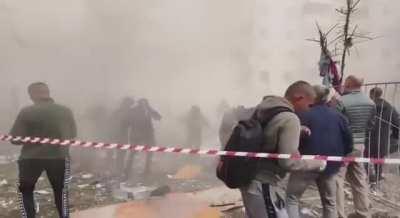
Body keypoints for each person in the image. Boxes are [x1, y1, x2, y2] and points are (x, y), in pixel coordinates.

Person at [240, 81, 326, 218]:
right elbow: (288, 162)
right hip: (265, 185)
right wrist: (317, 163)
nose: (309, 110)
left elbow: (267, 133)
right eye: (309, 105)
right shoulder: (290, 119)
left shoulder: (265, 108)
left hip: (249, 181)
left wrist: (295, 131)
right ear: (299, 98)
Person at [10, 82, 77, 218]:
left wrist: (31, 138)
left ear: (32, 95)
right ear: (47, 92)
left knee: (26, 191)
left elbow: (15, 139)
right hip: (59, 157)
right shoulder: (65, 111)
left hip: (30, 158)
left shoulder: (26, 112)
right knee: (61, 191)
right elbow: (72, 134)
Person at [286, 85, 353, 218]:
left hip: (306, 165)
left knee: (292, 199)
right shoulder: (339, 117)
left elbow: (293, 139)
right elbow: (349, 141)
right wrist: (342, 157)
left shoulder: (302, 115)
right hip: (331, 166)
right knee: (329, 203)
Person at [336, 75, 375, 218]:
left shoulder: (341, 101)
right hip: (359, 145)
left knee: (337, 179)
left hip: (343, 145)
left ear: (349, 84)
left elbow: (337, 124)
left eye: (345, 82)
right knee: (359, 179)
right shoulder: (370, 102)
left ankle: (339, 214)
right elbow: (371, 124)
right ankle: (363, 213)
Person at [367, 87, 399, 182]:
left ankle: (366, 177)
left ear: (371, 95)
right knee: (379, 160)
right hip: (382, 139)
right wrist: (394, 137)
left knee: (364, 159)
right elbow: (397, 125)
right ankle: (377, 178)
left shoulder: (368, 106)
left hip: (367, 138)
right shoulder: (390, 108)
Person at [131, 98, 161, 181]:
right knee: (133, 153)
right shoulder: (134, 110)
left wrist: (151, 111)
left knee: (150, 152)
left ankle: (147, 169)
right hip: (138, 134)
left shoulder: (149, 109)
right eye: (142, 103)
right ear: (139, 103)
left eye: (145, 103)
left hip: (148, 134)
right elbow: (130, 120)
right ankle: (129, 170)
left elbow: (158, 117)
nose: (144, 105)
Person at [109, 97, 136, 180]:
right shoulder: (127, 112)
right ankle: (119, 171)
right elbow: (130, 124)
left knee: (118, 154)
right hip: (121, 136)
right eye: (130, 104)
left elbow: (111, 121)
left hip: (117, 135)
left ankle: (116, 170)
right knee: (120, 154)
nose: (131, 106)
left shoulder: (118, 111)